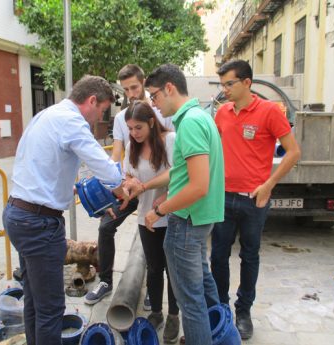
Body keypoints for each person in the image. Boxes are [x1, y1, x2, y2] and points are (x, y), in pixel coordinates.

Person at [2, 75, 129, 345]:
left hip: (18, 213)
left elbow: (40, 165)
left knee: (35, 300)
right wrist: (121, 186)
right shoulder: (72, 121)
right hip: (38, 224)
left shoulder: (47, 115)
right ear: (92, 100)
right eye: (103, 110)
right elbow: (104, 166)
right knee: (50, 309)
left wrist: (68, 191)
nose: (99, 117)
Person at [210, 59, 301, 340]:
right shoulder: (222, 113)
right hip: (223, 198)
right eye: (222, 84)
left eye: (229, 84)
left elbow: (293, 152)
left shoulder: (269, 112)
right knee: (217, 256)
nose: (224, 89)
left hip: (254, 200)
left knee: (250, 256)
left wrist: (268, 185)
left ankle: (244, 310)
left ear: (247, 83)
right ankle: (221, 307)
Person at [143, 64, 225, 345]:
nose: (153, 103)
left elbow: (199, 185)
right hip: (200, 220)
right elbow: (187, 175)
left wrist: (159, 210)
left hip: (186, 224)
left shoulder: (189, 122)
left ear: (169, 88)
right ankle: (225, 337)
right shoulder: (201, 117)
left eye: (154, 96)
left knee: (191, 304)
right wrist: (166, 196)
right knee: (205, 289)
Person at [85, 64, 173, 305]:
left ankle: (153, 291)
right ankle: (105, 280)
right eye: (125, 89)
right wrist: (117, 187)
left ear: (143, 82)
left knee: (157, 241)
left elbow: (174, 157)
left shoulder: (161, 111)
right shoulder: (122, 118)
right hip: (131, 185)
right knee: (106, 226)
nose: (131, 93)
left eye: (134, 87)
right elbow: (117, 154)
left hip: (158, 188)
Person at [123, 101, 180, 344]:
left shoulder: (170, 141)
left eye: (138, 128)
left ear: (151, 123)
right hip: (145, 218)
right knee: (154, 269)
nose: (134, 134)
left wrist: (145, 186)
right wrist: (128, 186)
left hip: (171, 215)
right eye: (130, 129)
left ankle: (174, 316)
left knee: (173, 271)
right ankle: (156, 312)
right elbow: (128, 174)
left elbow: (177, 174)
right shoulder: (130, 146)